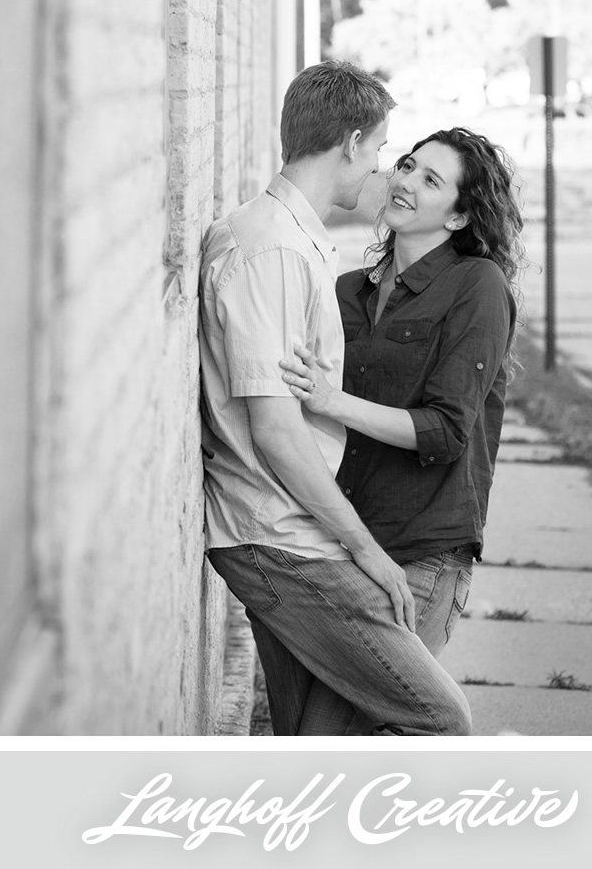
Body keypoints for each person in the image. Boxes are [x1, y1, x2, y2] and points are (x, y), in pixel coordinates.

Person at [198, 60, 471, 736]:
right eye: (380, 149)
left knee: (311, 740)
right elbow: (276, 432)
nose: (382, 169)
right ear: (349, 142)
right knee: (439, 720)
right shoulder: (275, 251)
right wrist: (367, 552)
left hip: (282, 529)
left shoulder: (281, 239)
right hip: (279, 538)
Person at [277, 127, 523, 734]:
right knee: (302, 739)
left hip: (421, 555)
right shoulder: (345, 292)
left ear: (461, 216)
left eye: (430, 180)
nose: (406, 182)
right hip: (335, 547)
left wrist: (334, 402)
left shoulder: (478, 287)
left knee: (334, 738)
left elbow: (444, 431)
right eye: (407, 166)